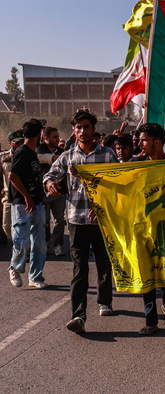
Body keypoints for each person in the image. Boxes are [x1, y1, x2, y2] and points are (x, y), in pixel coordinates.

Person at [44, 109, 119, 334]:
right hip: (76, 220)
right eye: (79, 128)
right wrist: (50, 184)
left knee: (104, 263)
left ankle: (104, 300)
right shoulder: (68, 156)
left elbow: (119, 185)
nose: (83, 131)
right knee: (79, 268)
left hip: (103, 221)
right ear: (74, 131)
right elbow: (50, 175)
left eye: (87, 127)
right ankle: (78, 316)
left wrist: (104, 206)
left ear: (94, 130)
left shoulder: (107, 155)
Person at [131, 123, 165, 335]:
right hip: (143, 231)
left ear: (157, 142)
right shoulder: (136, 166)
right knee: (147, 274)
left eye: (143, 140)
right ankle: (150, 321)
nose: (139, 144)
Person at [8, 119, 48, 289]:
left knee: (39, 243)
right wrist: (27, 197)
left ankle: (35, 277)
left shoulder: (32, 152)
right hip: (22, 203)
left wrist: (39, 198)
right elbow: (13, 176)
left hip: (36, 202)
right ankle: (14, 268)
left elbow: (34, 178)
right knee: (21, 240)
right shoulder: (22, 152)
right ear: (39, 135)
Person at [37, 126, 67, 257]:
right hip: (43, 193)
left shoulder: (61, 151)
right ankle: (47, 243)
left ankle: (58, 244)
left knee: (59, 221)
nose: (58, 139)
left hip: (60, 192)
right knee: (45, 220)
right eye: (55, 137)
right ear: (46, 138)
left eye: (58, 136)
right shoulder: (38, 150)